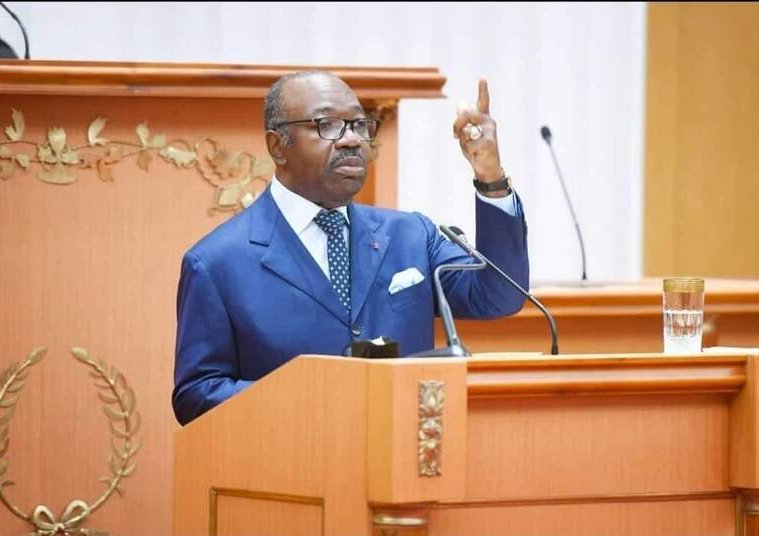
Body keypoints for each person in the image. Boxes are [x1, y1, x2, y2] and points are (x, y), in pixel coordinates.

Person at [172, 70, 529, 425]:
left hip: (406, 449)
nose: (352, 140)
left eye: (359, 125)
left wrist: (490, 176)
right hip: (294, 454)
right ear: (278, 146)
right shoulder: (217, 263)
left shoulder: (411, 235)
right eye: (327, 125)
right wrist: (314, 397)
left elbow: (499, 295)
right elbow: (197, 396)